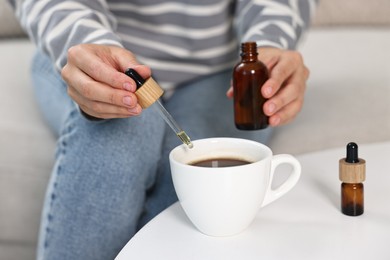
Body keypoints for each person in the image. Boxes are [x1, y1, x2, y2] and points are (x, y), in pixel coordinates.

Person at [9, 0, 316, 259]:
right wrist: (87, 45)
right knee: (113, 145)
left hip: (214, 71)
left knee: (198, 182)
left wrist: (271, 44)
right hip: (89, 50)